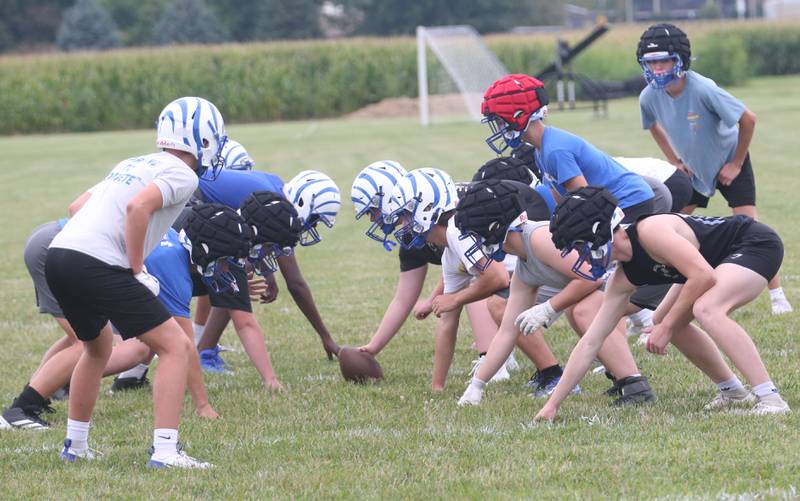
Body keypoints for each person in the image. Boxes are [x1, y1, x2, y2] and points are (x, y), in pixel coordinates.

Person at [41, 96, 226, 468]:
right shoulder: (183, 173)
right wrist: (135, 267)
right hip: (95, 262)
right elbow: (138, 207)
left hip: (59, 254)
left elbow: (77, 207)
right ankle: (166, 451)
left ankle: (75, 447)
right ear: (204, 140)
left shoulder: (133, 161)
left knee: (97, 348)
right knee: (175, 345)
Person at [534, 187, 791, 422]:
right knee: (662, 321)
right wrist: (553, 405)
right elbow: (591, 342)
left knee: (705, 309)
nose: (581, 257)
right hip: (711, 261)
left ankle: (770, 397)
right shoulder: (622, 278)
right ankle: (733, 392)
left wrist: (668, 326)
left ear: (599, 235)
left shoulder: (650, 232)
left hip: (753, 244)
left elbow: (703, 275)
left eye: (580, 247)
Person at [0, 204, 254, 429]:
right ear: (204, 250)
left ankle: (44, 392)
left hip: (54, 239)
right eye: (223, 262)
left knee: (94, 340)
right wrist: (202, 404)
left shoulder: (174, 248)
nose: (225, 270)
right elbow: (185, 348)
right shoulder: (174, 267)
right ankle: (21, 409)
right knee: (89, 342)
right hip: (59, 248)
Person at [636, 23, 792, 315]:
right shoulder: (648, 96)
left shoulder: (703, 88)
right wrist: (674, 161)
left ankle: (777, 296)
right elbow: (652, 126)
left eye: (664, 60)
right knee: (669, 232)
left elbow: (748, 119)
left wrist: (735, 163)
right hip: (693, 171)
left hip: (730, 160)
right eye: (651, 62)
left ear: (680, 59)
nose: (657, 68)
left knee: (752, 227)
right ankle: (652, 303)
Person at [454, 180, 654, 407]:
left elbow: (593, 276)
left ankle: (634, 384)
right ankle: (621, 377)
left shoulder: (538, 239)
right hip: (618, 282)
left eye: (476, 233)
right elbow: (508, 331)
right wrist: (477, 385)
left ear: (494, 228)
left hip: (639, 273)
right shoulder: (524, 266)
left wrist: (550, 307)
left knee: (581, 311)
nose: (475, 241)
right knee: (565, 311)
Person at [351, 161, 517, 383]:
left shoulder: (447, 214)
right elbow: (404, 299)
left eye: (372, 210)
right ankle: (500, 350)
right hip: (496, 268)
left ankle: (492, 360)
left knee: (474, 283)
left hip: (516, 252)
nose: (372, 219)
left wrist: (443, 298)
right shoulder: (414, 236)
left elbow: (476, 269)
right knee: (464, 288)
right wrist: (373, 346)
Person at [193, 166, 341, 364]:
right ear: (302, 203)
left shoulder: (277, 191)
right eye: (314, 221)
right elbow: (295, 283)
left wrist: (267, 273)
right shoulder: (274, 203)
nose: (311, 227)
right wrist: (326, 337)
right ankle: (204, 353)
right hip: (187, 199)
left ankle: (202, 349)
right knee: (236, 274)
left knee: (235, 270)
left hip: (191, 196)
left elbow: (257, 240)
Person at [481, 73, 655, 224]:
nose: (499, 128)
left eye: (500, 121)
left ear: (518, 115)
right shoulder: (541, 149)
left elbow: (586, 200)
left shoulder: (554, 151)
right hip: (619, 201)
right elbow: (561, 198)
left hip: (629, 201)